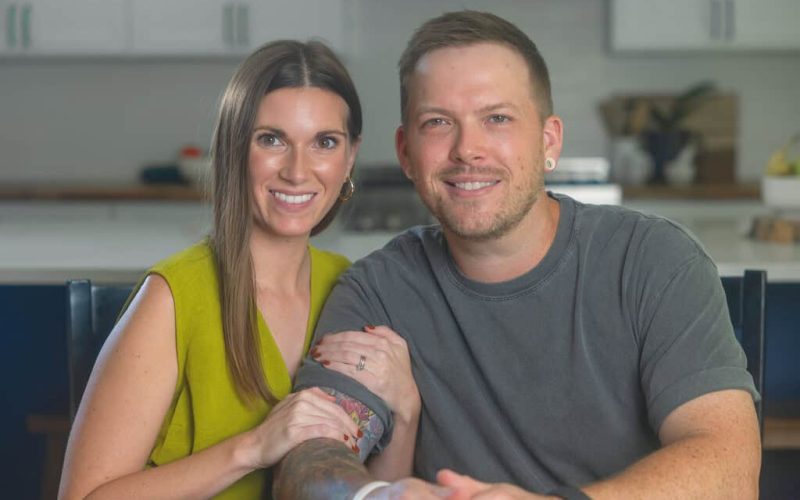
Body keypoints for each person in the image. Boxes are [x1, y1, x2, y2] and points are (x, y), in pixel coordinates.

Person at [273, 11, 762, 500]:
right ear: (406, 152)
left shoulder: (653, 262)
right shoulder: (377, 293)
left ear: (549, 141)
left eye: (497, 118)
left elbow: (729, 464)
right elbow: (311, 459)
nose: (468, 150)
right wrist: (382, 497)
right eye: (438, 122)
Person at [58, 40, 419, 499]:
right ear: (234, 147)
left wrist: (405, 411)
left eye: (324, 142)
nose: (297, 170)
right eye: (272, 139)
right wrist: (252, 447)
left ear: (349, 157)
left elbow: (374, 491)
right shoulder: (174, 296)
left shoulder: (355, 288)